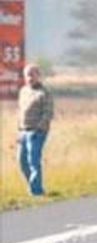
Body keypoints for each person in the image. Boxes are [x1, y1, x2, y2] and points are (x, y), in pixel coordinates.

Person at [17, 64, 54, 196]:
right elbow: (21, 112)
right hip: (23, 131)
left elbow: (48, 113)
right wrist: (19, 130)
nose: (30, 78)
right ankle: (33, 185)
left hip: (37, 132)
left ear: (38, 76)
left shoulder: (44, 93)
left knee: (33, 161)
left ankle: (36, 191)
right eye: (27, 75)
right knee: (21, 162)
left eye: (32, 74)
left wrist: (39, 128)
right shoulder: (23, 91)